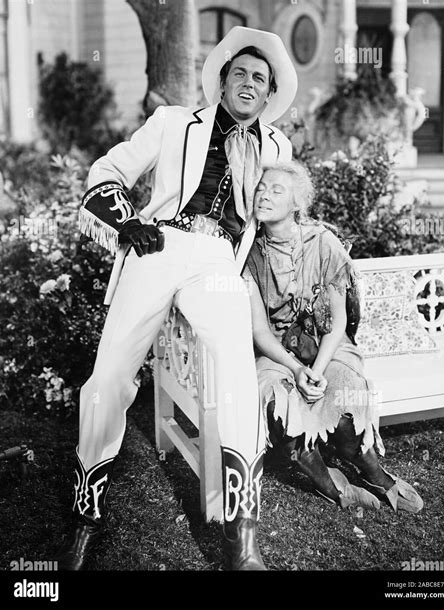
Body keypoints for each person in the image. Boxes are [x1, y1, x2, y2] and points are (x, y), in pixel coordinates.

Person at [56, 27, 298, 571]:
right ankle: (85, 516)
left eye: (259, 79)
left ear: (268, 95)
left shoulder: (277, 147)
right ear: (222, 81)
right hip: (159, 245)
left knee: (236, 370)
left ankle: (243, 541)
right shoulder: (172, 124)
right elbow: (105, 173)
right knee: (108, 376)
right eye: (239, 73)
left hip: (216, 262)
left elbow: (280, 211)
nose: (248, 83)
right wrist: (126, 224)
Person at [243, 161, 424, 513]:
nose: (264, 195)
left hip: (328, 344)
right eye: (261, 188)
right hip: (278, 352)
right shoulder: (249, 251)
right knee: (277, 411)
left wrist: (319, 369)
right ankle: (331, 486)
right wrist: (296, 370)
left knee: (345, 408)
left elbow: (338, 319)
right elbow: (260, 331)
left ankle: (373, 474)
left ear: (297, 203)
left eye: (276, 190)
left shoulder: (323, 242)